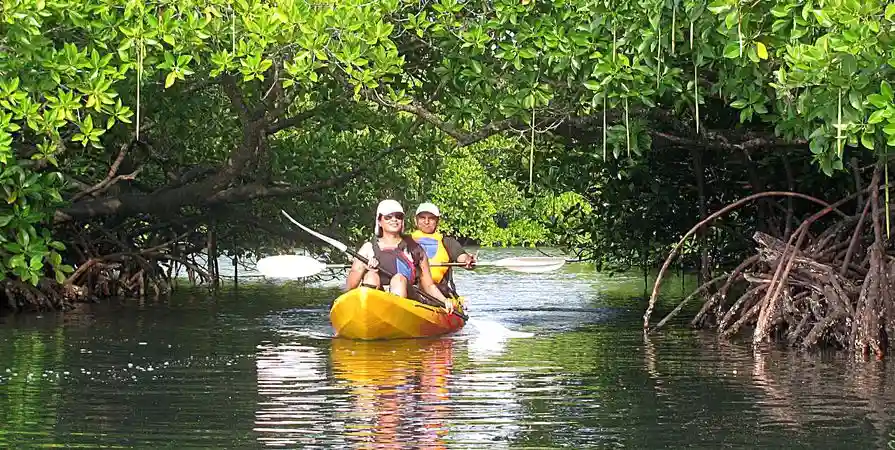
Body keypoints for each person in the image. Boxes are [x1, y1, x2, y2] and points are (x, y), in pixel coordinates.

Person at [345, 199, 454, 313]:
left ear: (402, 221)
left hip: (406, 299)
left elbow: (429, 285)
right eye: (388, 217)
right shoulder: (368, 248)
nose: (394, 220)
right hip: (376, 302)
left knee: (399, 279)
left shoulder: (415, 249)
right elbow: (350, 288)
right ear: (379, 221)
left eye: (398, 216)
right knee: (371, 276)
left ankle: (395, 313)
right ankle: (367, 313)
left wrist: (444, 300)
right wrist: (364, 267)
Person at [410, 202, 477, 298]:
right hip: (413, 289)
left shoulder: (447, 242)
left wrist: (467, 260)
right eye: (422, 218)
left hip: (439, 290)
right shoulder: (406, 241)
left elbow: (461, 257)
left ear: (438, 221)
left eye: (431, 218)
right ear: (415, 220)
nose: (426, 222)